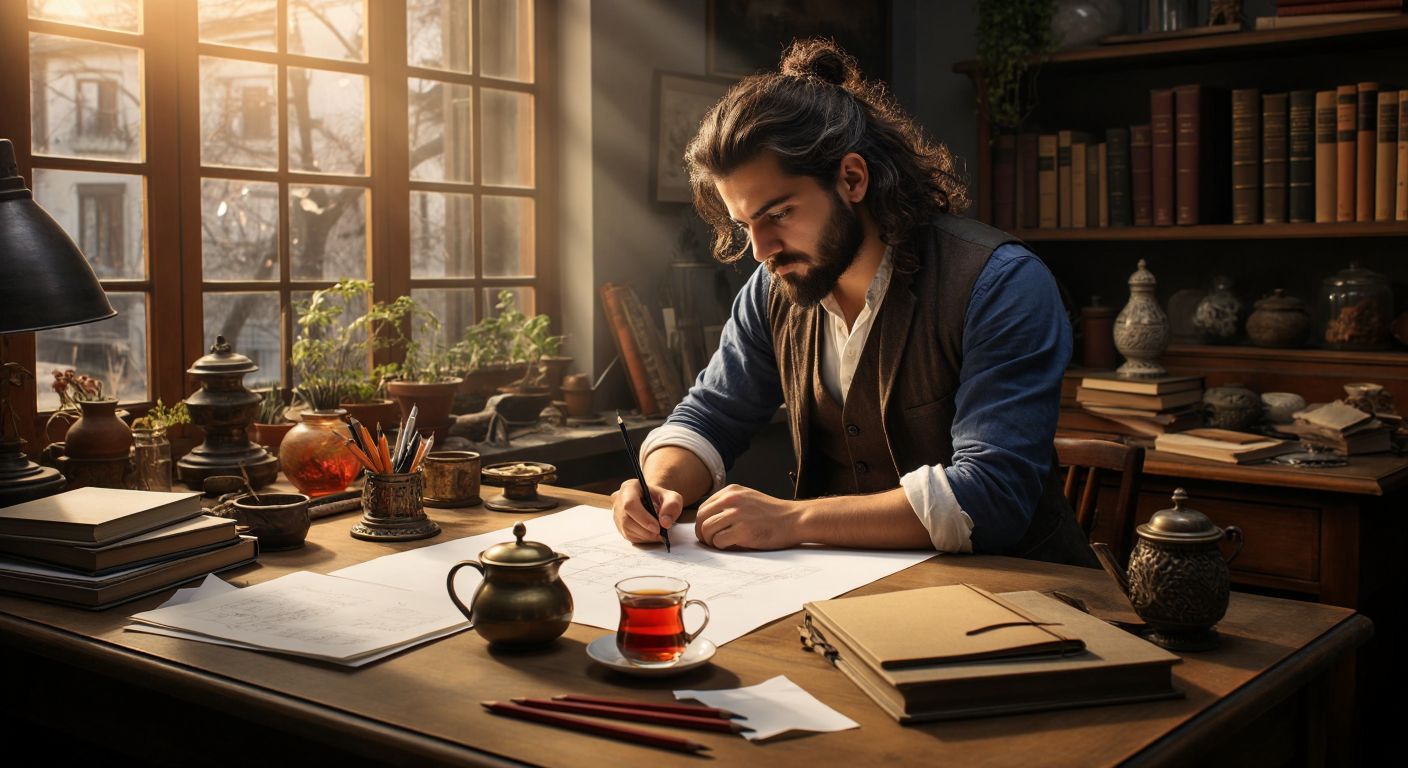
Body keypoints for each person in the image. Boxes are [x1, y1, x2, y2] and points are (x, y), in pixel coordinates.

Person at [612, 39, 1096, 567]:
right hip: (845, 594)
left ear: (852, 179)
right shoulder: (774, 288)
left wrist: (793, 520)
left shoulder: (999, 284)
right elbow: (709, 416)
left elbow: (992, 496)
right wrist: (657, 485)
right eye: (744, 224)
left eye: (779, 214)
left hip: (1024, 598)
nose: (761, 250)